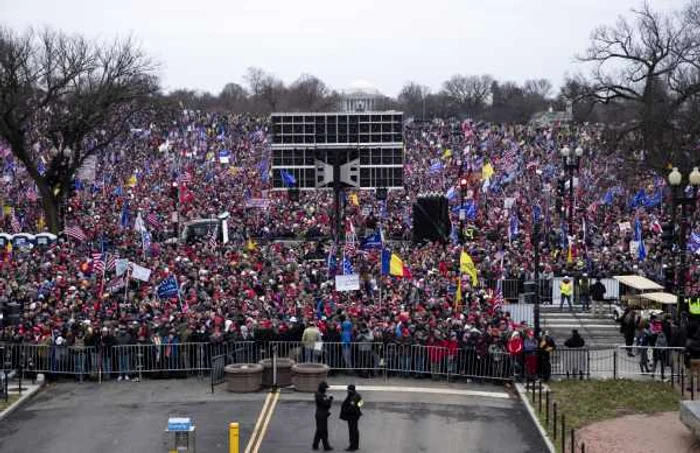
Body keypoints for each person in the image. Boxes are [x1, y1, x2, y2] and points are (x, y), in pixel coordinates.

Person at [339, 384, 363, 451]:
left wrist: (346, 410)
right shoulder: (358, 394)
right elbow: (362, 402)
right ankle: (356, 445)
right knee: (355, 430)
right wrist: (358, 408)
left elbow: (351, 408)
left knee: (352, 431)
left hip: (352, 416)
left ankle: (352, 447)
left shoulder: (352, 397)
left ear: (350, 391)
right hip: (356, 415)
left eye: (348, 390)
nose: (347, 392)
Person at [313, 381, 334, 451]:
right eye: (325, 388)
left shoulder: (317, 394)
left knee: (319, 430)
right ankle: (326, 446)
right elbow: (327, 405)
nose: (326, 389)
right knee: (324, 431)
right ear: (323, 388)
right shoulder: (322, 395)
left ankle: (315, 445)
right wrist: (330, 400)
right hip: (322, 415)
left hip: (319, 414)